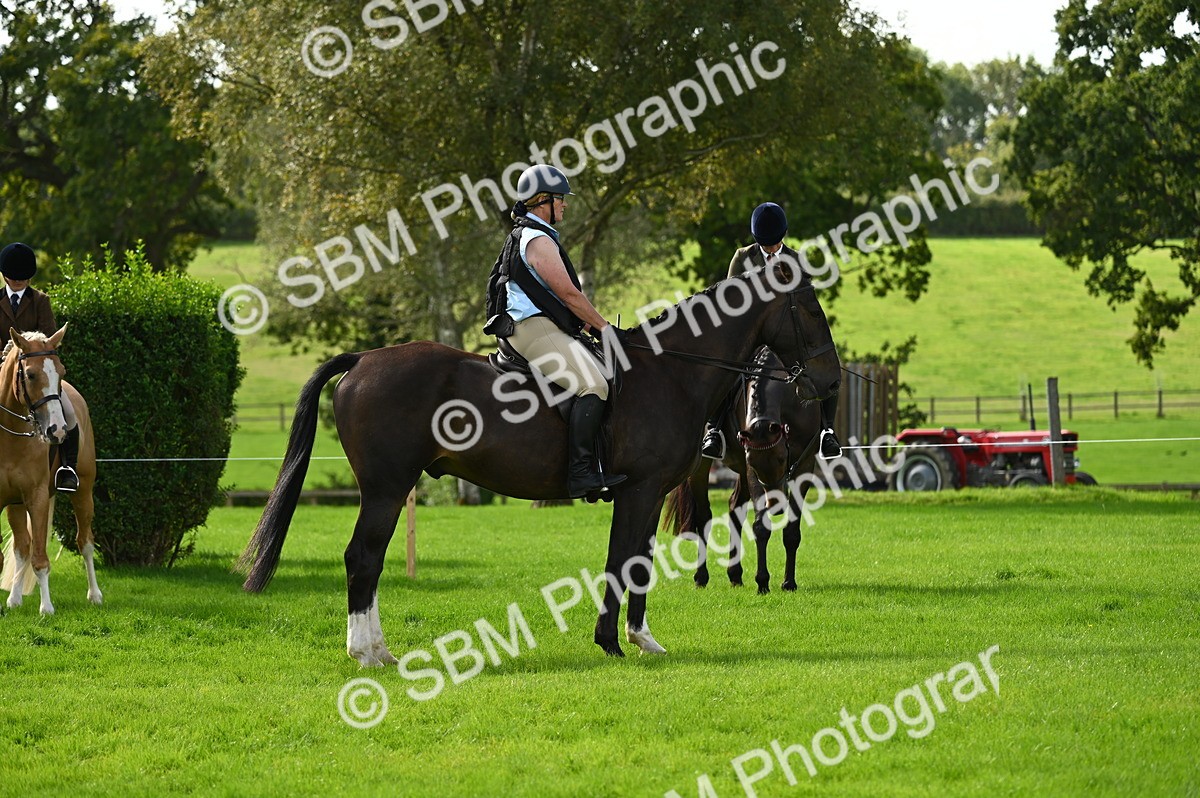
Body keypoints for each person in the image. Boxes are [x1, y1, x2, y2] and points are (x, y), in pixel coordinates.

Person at [484, 165, 627, 498]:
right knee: (594, 385)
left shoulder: (532, 234)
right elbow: (569, 295)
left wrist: (594, 322)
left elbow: (561, 301)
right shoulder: (537, 239)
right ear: (542, 201)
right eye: (559, 200)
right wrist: (605, 329)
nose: (564, 206)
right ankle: (580, 474)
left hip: (540, 324)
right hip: (532, 328)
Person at [699, 202, 842, 460]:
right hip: (752, 338)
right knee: (724, 367)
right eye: (766, 244)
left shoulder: (796, 260)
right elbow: (731, 303)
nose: (771, 248)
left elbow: (805, 302)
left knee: (826, 364)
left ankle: (827, 431)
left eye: (775, 243)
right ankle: (715, 430)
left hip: (787, 338)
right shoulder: (742, 258)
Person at [0, 242, 79, 491]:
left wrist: (36, 355)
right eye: (14, 278)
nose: (18, 282)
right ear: (4, 276)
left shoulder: (40, 301)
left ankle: (68, 468)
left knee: (69, 412)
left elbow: (48, 338)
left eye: (23, 279)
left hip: (36, 372)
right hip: (2, 370)